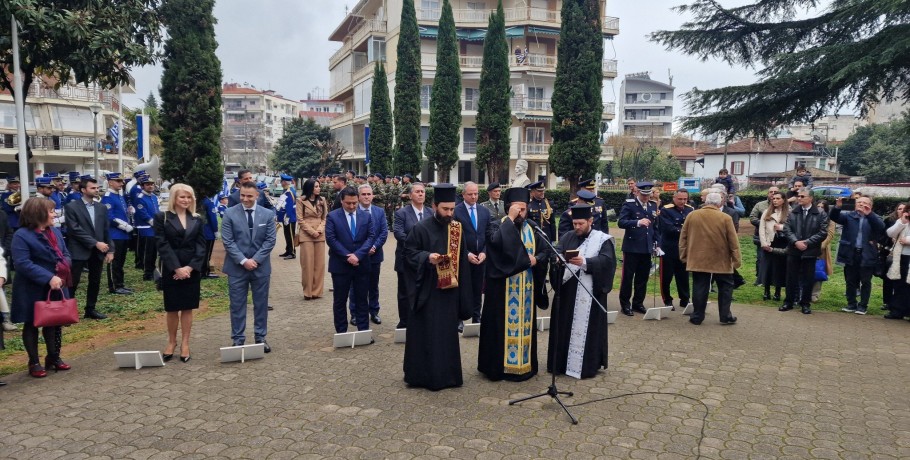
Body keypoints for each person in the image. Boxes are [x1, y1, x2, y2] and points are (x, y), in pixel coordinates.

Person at [403, 184, 473, 390]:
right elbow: (408, 253)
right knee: (428, 334)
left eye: (452, 209)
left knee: (446, 335)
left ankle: (448, 376)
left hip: (450, 291)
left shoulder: (456, 229)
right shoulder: (421, 228)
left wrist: (464, 296)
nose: (449, 213)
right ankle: (423, 377)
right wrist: (427, 257)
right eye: (445, 209)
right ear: (434, 206)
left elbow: (463, 261)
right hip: (428, 291)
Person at [477, 187, 547, 381]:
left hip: (526, 292)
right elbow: (495, 245)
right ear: (509, 208)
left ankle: (525, 365)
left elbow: (544, 251)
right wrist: (508, 219)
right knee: (499, 329)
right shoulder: (496, 225)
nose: (521, 213)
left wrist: (537, 259)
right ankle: (497, 368)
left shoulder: (532, 227)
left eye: (524, 209)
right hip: (501, 292)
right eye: (518, 209)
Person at [546, 204, 616, 378]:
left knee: (588, 330)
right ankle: (560, 364)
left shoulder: (602, 240)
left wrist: (585, 262)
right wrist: (557, 260)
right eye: (574, 223)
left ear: (590, 221)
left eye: (580, 224)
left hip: (589, 292)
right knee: (563, 327)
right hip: (567, 295)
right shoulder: (568, 236)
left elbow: (607, 263)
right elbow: (557, 253)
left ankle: (586, 366)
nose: (576, 227)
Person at [11, 198, 72, 378]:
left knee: (54, 322)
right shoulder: (21, 235)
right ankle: (34, 362)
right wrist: (48, 277)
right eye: (51, 211)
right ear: (38, 213)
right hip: (32, 287)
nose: (54, 214)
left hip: (56, 284)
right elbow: (22, 263)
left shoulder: (55, 232)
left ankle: (53, 357)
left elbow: (66, 253)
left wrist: (62, 268)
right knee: (32, 323)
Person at [154, 184, 207, 363]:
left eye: (189, 197)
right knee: (172, 308)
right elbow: (162, 245)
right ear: (174, 198)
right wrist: (177, 268)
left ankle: (185, 343)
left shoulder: (197, 219)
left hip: (191, 270)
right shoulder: (162, 218)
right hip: (171, 268)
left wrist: (190, 268)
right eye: (182, 197)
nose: (185, 200)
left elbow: (201, 246)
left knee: (187, 308)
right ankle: (171, 341)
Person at [221, 182, 277, 351]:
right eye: (242, 195)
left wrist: (256, 260)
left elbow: (270, 240)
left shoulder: (267, 214)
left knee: (261, 304)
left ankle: (260, 337)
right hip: (237, 268)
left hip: (260, 268)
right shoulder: (230, 213)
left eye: (249, 196)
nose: (245, 199)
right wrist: (244, 260)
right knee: (237, 304)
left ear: (257, 196)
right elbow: (228, 241)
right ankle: (238, 339)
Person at [679, 191, 741, 325]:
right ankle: (725, 316)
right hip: (721, 258)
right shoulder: (725, 218)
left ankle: (697, 317)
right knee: (725, 287)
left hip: (698, 257)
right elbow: (733, 241)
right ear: (720, 203)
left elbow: (683, 237)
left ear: (706, 202)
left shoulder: (692, 215)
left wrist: (683, 255)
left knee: (699, 286)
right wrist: (736, 259)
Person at [325, 186, 374, 334]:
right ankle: (341, 332)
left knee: (361, 299)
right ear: (342, 201)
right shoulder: (333, 216)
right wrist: (348, 256)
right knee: (340, 300)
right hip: (340, 265)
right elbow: (331, 239)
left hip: (361, 264)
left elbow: (370, 237)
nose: (352, 206)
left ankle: (363, 331)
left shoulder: (366, 216)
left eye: (354, 203)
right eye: (348, 203)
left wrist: (358, 255)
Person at [64, 176, 113, 320]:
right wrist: (95, 243)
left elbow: (105, 230)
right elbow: (74, 229)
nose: (96, 190)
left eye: (97, 188)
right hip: (79, 249)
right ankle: (68, 311)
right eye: (93, 188)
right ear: (83, 190)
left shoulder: (101, 207)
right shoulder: (72, 207)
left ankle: (90, 309)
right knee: (73, 281)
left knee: (95, 280)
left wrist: (111, 249)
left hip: (98, 251)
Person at [830, 196, 884, 314]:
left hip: (867, 253)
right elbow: (834, 217)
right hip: (851, 252)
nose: (861, 204)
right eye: (859, 202)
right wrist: (837, 207)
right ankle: (851, 304)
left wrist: (869, 214)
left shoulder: (874, 218)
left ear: (871, 206)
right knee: (850, 280)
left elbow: (881, 228)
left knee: (865, 281)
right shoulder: (849, 216)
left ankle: (863, 306)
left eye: (865, 202)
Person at [780, 188, 829, 314]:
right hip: (794, 250)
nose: (799, 198)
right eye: (798, 196)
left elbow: (823, 232)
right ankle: (788, 302)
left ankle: (805, 303)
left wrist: (807, 242)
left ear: (810, 198)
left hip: (810, 251)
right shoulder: (793, 212)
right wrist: (796, 242)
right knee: (791, 277)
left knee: (808, 279)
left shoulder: (820, 213)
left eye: (802, 196)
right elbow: (787, 229)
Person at [617, 181, 661, 316]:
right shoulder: (629, 205)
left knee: (642, 278)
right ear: (637, 192)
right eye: (643, 195)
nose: (646, 198)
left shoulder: (653, 206)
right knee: (628, 277)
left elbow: (655, 227)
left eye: (648, 195)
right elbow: (621, 222)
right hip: (632, 247)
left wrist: (657, 244)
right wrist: (637, 222)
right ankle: (625, 304)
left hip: (647, 247)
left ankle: (638, 303)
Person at [393, 183, 432, 328]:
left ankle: (422, 320)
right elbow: (398, 233)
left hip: (425, 260)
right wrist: (416, 246)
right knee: (405, 293)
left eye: (422, 192)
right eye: (417, 192)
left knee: (424, 290)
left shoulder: (430, 212)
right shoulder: (401, 213)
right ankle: (404, 322)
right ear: (410, 196)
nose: (421, 194)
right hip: (406, 259)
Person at [348, 184, 388, 325]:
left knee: (373, 285)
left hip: (375, 255)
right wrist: (362, 251)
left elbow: (384, 232)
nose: (366, 197)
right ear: (358, 196)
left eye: (368, 194)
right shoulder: (353, 211)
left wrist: (375, 246)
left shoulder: (379, 212)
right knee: (355, 286)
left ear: (373, 196)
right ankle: (355, 313)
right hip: (358, 256)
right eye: (363, 194)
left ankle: (374, 311)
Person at [453, 182, 490, 327]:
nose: (473, 196)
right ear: (463, 195)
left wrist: (484, 252)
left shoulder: (484, 211)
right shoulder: (456, 211)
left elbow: (488, 235)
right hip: (463, 258)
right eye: (470, 194)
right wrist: (466, 254)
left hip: (480, 258)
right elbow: (454, 237)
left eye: (476, 193)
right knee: (461, 288)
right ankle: (459, 318)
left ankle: (477, 317)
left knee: (478, 288)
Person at [657, 189, 693, 311]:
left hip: (684, 249)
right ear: (674, 198)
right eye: (680, 199)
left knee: (683, 276)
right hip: (669, 248)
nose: (682, 201)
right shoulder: (666, 210)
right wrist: (684, 231)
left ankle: (685, 299)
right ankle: (667, 300)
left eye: (685, 199)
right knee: (666, 277)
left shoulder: (690, 210)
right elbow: (669, 229)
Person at [101, 173, 134, 295]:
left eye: (122, 181)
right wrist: (125, 226)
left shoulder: (119, 196)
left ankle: (120, 284)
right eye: (118, 181)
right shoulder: (108, 197)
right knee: (115, 261)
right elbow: (109, 217)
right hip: (115, 234)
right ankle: (114, 286)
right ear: (110, 182)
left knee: (121, 261)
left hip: (123, 234)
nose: (121, 183)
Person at [296, 179, 328, 300]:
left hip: (320, 234)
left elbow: (325, 217)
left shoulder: (322, 200)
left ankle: (317, 291)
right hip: (306, 234)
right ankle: (308, 292)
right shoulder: (301, 200)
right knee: (307, 264)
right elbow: (300, 219)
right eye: (316, 186)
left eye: (319, 186)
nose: (319, 188)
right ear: (310, 188)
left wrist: (319, 230)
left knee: (319, 265)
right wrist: (312, 231)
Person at [758, 191, 790, 301]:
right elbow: (761, 228)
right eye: (773, 198)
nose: (775, 200)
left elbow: (792, 228)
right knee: (767, 268)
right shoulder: (767, 212)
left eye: (778, 198)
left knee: (780, 268)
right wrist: (763, 243)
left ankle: (778, 292)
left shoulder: (789, 212)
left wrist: (782, 227)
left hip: (783, 242)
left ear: (783, 200)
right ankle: (766, 291)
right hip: (769, 242)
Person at [749, 186, 781, 286]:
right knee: (761, 258)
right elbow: (752, 217)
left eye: (775, 192)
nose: (773, 193)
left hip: (779, 237)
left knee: (777, 259)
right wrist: (765, 224)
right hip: (761, 236)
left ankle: (775, 279)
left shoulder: (785, 207)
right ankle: (760, 279)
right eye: (771, 192)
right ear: (768, 193)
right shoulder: (760, 205)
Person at [879, 203, 906, 311]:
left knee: (901, 280)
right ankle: (887, 302)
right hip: (889, 253)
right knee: (888, 278)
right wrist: (890, 240)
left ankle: (900, 304)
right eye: (899, 209)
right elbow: (884, 234)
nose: (902, 211)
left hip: (904, 254)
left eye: (904, 209)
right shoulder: (890, 220)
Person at [884, 210, 910, 319]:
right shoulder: (902, 221)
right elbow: (890, 233)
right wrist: (901, 223)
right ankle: (897, 311)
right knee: (899, 284)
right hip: (901, 256)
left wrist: (908, 240)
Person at [133, 175, 159, 281]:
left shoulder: (153, 197)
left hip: (154, 228)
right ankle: (147, 272)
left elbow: (157, 210)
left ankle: (152, 269)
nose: (150, 186)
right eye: (148, 184)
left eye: (152, 184)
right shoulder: (140, 198)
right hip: (145, 227)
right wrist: (154, 222)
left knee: (154, 251)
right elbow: (142, 213)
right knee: (147, 251)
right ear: (143, 186)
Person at [812, 200, 836, 302]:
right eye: (818, 206)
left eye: (822, 207)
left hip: (821, 250)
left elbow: (830, 235)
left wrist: (820, 246)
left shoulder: (830, 221)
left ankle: (814, 294)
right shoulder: (811, 217)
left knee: (818, 270)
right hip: (808, 247)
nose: (820, 208)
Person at [277, 174, 297, 260]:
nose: (281, 183)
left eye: (281, 181)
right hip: (285, 217)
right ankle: (288, 250)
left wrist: (287, 217)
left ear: (284, 182)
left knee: (290, 235)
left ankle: (292, 252)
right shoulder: (286, 190)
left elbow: (289, 206)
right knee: (287, 234)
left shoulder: (289, 192)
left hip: (289, 217)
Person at [199, 194, 220, 279]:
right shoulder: (208, 202)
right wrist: (215, 230)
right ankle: (204, 272)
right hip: (208, 232)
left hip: (198, 231)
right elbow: (213, 218)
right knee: (206, 253)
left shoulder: (198, 200)